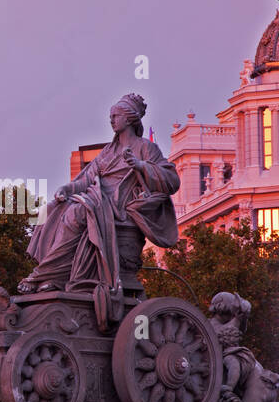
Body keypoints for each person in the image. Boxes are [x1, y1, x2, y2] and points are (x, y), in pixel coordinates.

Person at [17, 93, 180, 294]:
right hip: (98, 198)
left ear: (129, 118)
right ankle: (58, 276)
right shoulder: (107, 151)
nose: (111, 120)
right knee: (51, 209)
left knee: (77, 212)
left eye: (116, 116)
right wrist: (66, 189)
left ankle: (44, 274)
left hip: (118, 205)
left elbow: (171, 180)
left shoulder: (146, 147)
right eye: (110, 116)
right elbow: (86, 179)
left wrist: (140, 165)